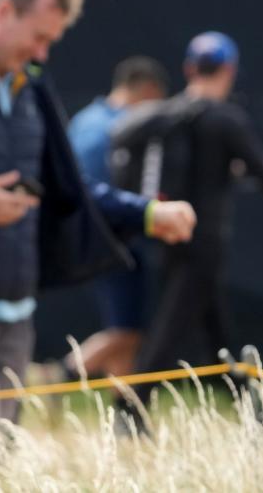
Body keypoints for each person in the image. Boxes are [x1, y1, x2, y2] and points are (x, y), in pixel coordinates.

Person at [0, 0, 196, 429]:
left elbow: (67, 187)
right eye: (40, 37)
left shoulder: (31, 87)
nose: (44, 53)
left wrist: (144, 214)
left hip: (17, 311)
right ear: (4, 11)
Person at [113, 32, 263, 404]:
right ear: (230, 70)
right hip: (205, 242)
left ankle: (250, 407)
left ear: (190, 68)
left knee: (215, 331)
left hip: (172, 235)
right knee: (171, 331)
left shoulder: (171, 114)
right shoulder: (224, 119)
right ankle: (131, 403)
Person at [65, 56, 169, 378]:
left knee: (126, 328)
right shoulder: (113, 129)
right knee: (127, 329)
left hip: (99, 242)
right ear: (149, 91)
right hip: (111, 243)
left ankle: (125, 412)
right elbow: (96, 192)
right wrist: (149, 211)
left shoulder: (87, 120)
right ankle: (60, 374)